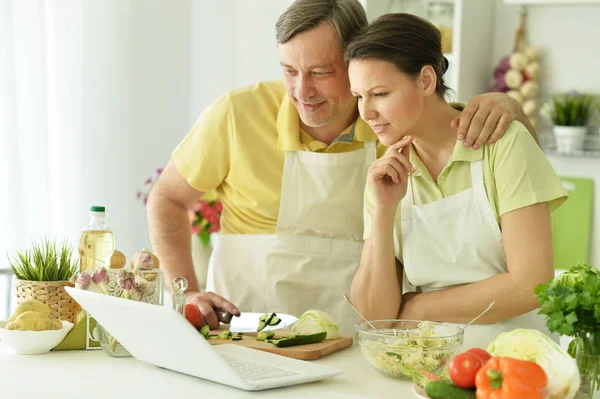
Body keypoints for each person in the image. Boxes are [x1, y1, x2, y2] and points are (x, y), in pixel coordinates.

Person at [147, 0, 538, 335]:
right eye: (289, 71)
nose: (302, 91)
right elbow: (166, 199)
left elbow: (453, 121)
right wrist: (186, 290)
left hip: (355, 339)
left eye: (321, 72)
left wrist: (511, 107)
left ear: (357, 61)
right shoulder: (237, 113)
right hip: (245, 332)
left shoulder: (391, 122)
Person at [346, 13, 567, 347]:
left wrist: (419, 307)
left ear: (425, 80)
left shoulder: (502, 145)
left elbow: (531, 284)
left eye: (379, 93)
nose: (366, 112)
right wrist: (382, 211)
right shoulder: (387, 174)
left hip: (512, 363)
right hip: (423, 364)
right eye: (359, 96)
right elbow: (373, 316)